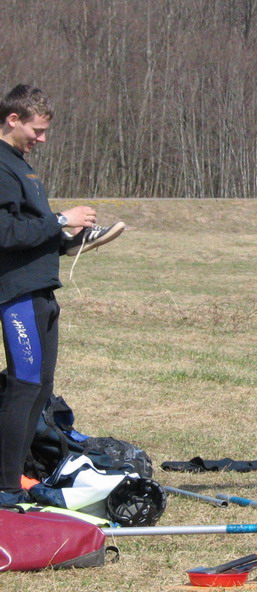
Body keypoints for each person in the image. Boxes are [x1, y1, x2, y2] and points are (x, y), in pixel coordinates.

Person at [0, 85, 118, 500]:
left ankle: (21, 475)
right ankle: (5, 487)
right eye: (37, 130)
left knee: (40, 387)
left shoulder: (21, 165)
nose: (43, 138)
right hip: (16, 294)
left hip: (41, 290)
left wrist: (68, 238)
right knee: (24, 385)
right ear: (13, 119)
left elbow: (30, 233)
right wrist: (60, 219)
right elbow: (5, 232)